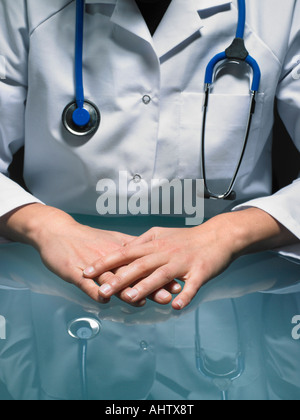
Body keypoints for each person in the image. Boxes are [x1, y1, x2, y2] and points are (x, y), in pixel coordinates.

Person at [0, 0, 299, 311]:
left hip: (232, 289)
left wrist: (227, 235)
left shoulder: (280, 7)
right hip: (57, 282)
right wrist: (43, 226)